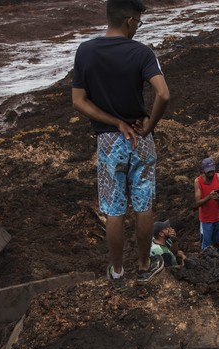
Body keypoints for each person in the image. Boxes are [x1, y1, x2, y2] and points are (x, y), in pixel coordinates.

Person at [71, 0, 170, 291]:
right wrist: (150, 125)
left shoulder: (85, 51)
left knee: (114, 210)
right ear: (129, 20)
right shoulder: (141, 52)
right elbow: (163, 94)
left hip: (108, 141)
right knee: (143, 205)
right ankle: (143, 267)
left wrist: (114, 123)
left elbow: (78, 101)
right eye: (138, 20)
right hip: (140, 138)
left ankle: (117, 273)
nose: (138, 25)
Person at [194, 157, 219, 252]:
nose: (211, 173)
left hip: (218, 217)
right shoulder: (198, 181)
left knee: (218, 243)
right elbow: (197, 203)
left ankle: (217, 259)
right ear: (203, 170)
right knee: (206, 246)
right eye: (208, 171)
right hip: (206, 220)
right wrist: (209, 197)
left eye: (212, 170)